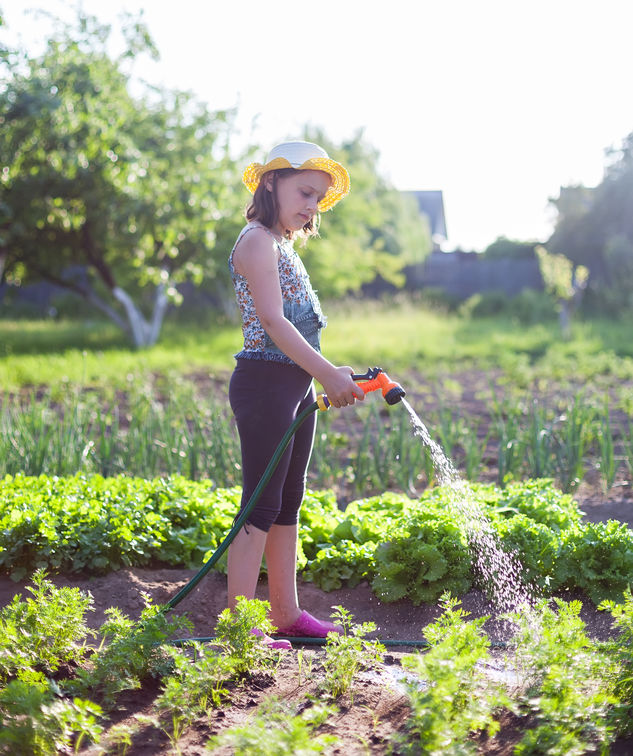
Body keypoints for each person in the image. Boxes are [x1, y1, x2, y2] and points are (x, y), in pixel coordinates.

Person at [227, 141, 364, 649]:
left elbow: (297, 331)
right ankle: (238, 630)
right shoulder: (257, 241)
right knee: (259, 505)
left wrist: (329, 372)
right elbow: (273, 323)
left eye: (319, 199)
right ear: (270, 183)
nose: (312, 206)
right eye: (305, 192)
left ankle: (286, 614)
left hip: (293, 386)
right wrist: (328, 373)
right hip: (265, 386)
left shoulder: (282, 244)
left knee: (288, 503)